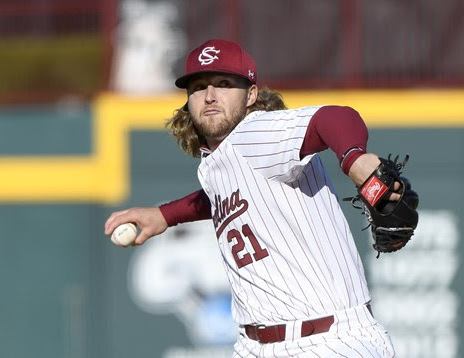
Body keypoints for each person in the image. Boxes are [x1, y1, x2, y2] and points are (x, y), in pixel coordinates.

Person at [105, 39, 400, 357]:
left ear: (251, 95)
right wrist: (165, 215)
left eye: (224, 84)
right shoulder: (221, 161)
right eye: (198, 86)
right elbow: (223, 196)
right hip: (257, 346)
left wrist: (354, 158)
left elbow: (334, 118)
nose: (210, 95)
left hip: (327, 342)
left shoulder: (255, 132)